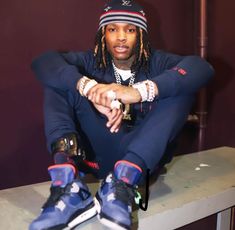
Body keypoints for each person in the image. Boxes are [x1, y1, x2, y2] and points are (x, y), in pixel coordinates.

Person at [29, 0, 214, 229]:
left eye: (130, 29)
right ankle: (69, 186)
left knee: (180, 90)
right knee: (58, 80)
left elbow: (202, 68)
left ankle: (122, 181)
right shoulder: (89, 62)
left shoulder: (158, 62)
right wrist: (89, 89)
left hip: (139, 163)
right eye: (112, 29)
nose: (121, 37)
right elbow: (42, 62)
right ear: (102, 34)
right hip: (92, 158)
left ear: (142, 35)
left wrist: (139, 92)